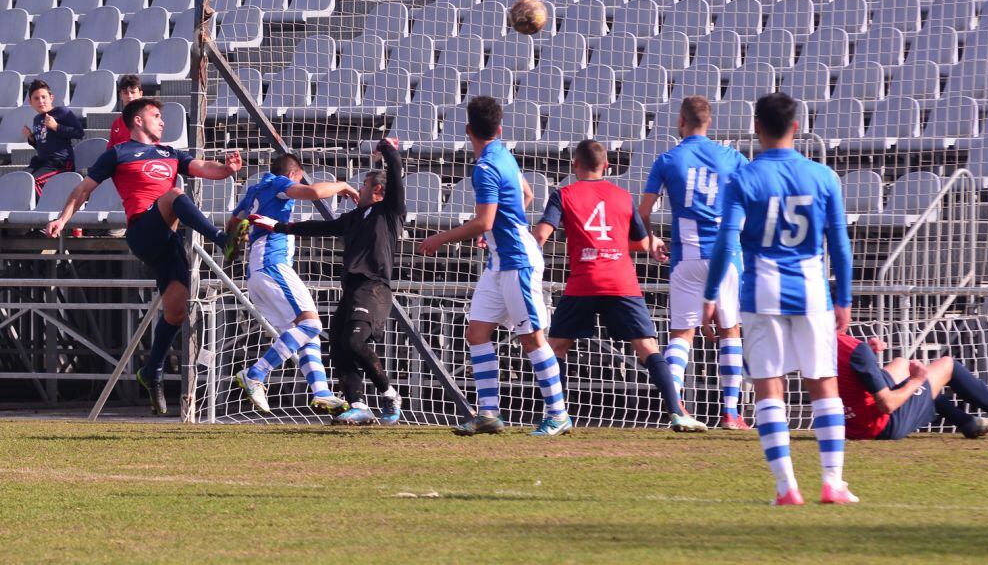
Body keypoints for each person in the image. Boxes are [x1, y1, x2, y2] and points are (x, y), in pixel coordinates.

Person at [702, 92, 857, 506]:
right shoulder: (823, 177)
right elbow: (839, 245)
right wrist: (845, 297)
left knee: (769, 388)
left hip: (761, 291)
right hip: (812, 291)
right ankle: (832, 482)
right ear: (796, 127)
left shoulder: (743, 179)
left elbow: (725, 240)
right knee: (823, 383)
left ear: (757, 128)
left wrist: (711, 292)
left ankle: (787, 487)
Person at [44, 97, 243, 416]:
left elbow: (204, 168)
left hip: (168, 239)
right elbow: (84, 190)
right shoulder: (117, 154)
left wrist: (227, 169)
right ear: (137, 121)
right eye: (156, 115)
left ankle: (152, 372)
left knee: (176, 311)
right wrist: (62, 219)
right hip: (143, 231)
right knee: (176, 194)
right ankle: (221, 239)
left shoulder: (170, 153)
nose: (162, 121)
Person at [418, 96, 570, 437]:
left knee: (531, 339)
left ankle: (558, 414)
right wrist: (495, 228)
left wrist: (440, 238)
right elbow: (527, 195)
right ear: (499, 129)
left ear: (468, 130)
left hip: (517, 261)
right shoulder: (504, 155)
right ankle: (488, 413)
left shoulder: (486, 167)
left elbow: (484, 220)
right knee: (477, 332)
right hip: (500, 261)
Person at [533, 140, 707, 433]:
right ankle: (678, 412)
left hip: (584, 281)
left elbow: (541, 234)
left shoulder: (562, 195)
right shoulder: (623, 197)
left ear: (575, 165)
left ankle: (557, 414)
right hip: (621, 280)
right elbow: (640, 241)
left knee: (557, 347)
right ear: (607, 167)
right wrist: (631, 244)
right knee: (646, 346)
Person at [249, 138, 405, 425]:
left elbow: (395, 169)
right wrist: (279, 226)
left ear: (379, 190)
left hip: (374, 288)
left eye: (365, 184)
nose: (359, 189)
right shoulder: (355, 217)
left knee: (354, 342)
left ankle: (389, 393)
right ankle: (358, 405)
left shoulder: (389, 211)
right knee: (338, 348)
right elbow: (319, 227)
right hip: (351, 290)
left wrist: (387, 148)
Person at [639, 96, 750, 430]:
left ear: (681, 122)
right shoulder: (733, 157)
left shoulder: (669, 159)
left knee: (681, 335)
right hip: (726, 254)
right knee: (730, 331)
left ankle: (677, 408)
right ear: (710, 122)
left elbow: (643, 212)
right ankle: (730, 413)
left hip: (685, 256)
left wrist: (652, 239)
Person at [230, 152, 359, 417]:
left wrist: (233, 242)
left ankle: (321, 392)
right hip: (272, 264)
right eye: (297, 179)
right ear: (293, 175)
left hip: (257, 271)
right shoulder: (278, 184)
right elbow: (313, 192)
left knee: (304, 331)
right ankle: (255, 373)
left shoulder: (255, 189)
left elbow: (233, 222)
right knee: (312, 324)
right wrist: (343, 185)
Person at [837, 333, 988, 441]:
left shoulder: (817, 342)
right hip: (880, 426)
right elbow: (887, 405)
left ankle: (965, 422)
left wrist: (866, 352)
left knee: (901, 364)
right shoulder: (854, 349)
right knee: (947, 365)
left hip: (847, 424)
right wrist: (916, 380)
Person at [23, 79, 84, 196]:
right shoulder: (37, 119)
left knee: (33, 183)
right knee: (22, 180)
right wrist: (31, 138)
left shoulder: (62, 112)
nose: (41, 101)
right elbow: (44, 144)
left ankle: (43, 209)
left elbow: (79, 133)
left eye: (43, 97)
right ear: (30, 102)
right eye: (36, 98)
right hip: (42, 163)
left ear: (51, 98)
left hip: (60, 163)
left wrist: (56, 126)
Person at [107, 75, 143, 149]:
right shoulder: (117, 124)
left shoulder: (149, 119)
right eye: (125, 93)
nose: (129, 96)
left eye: (133, 92)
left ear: (140, 94)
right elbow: (110, 150)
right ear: (120, 95)